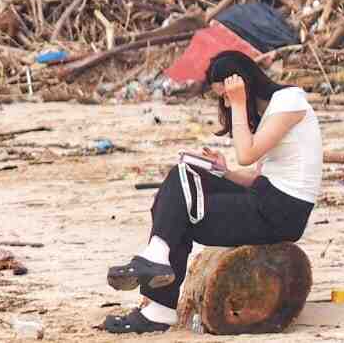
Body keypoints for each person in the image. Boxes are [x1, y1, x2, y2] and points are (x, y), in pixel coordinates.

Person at [101, 52, 321, 334]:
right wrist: (224, 171)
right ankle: (157, 262)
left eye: (227, 96)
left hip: (282, 212)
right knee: (182, 174)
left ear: (244, 84)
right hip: (266, 197)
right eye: (225, 98)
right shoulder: (273, 109)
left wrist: (239, 102)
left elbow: (246, 154)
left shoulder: (290, 102)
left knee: (180, 205)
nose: (227, 104)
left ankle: (158, 296)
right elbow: (256, 175)